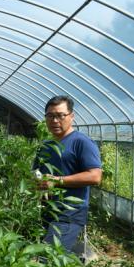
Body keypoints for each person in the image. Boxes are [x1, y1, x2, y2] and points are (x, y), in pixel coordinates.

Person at [34, 95, 102, 254]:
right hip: (47, 210)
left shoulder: (81, 142)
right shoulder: (46, 146)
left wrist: (57, 181)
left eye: (60, 115)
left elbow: (95, 176)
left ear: (72, 116)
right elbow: (37, 173)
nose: (55, 120)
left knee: (50, 258)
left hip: (70, 212)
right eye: (50, 116)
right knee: (53, 258)